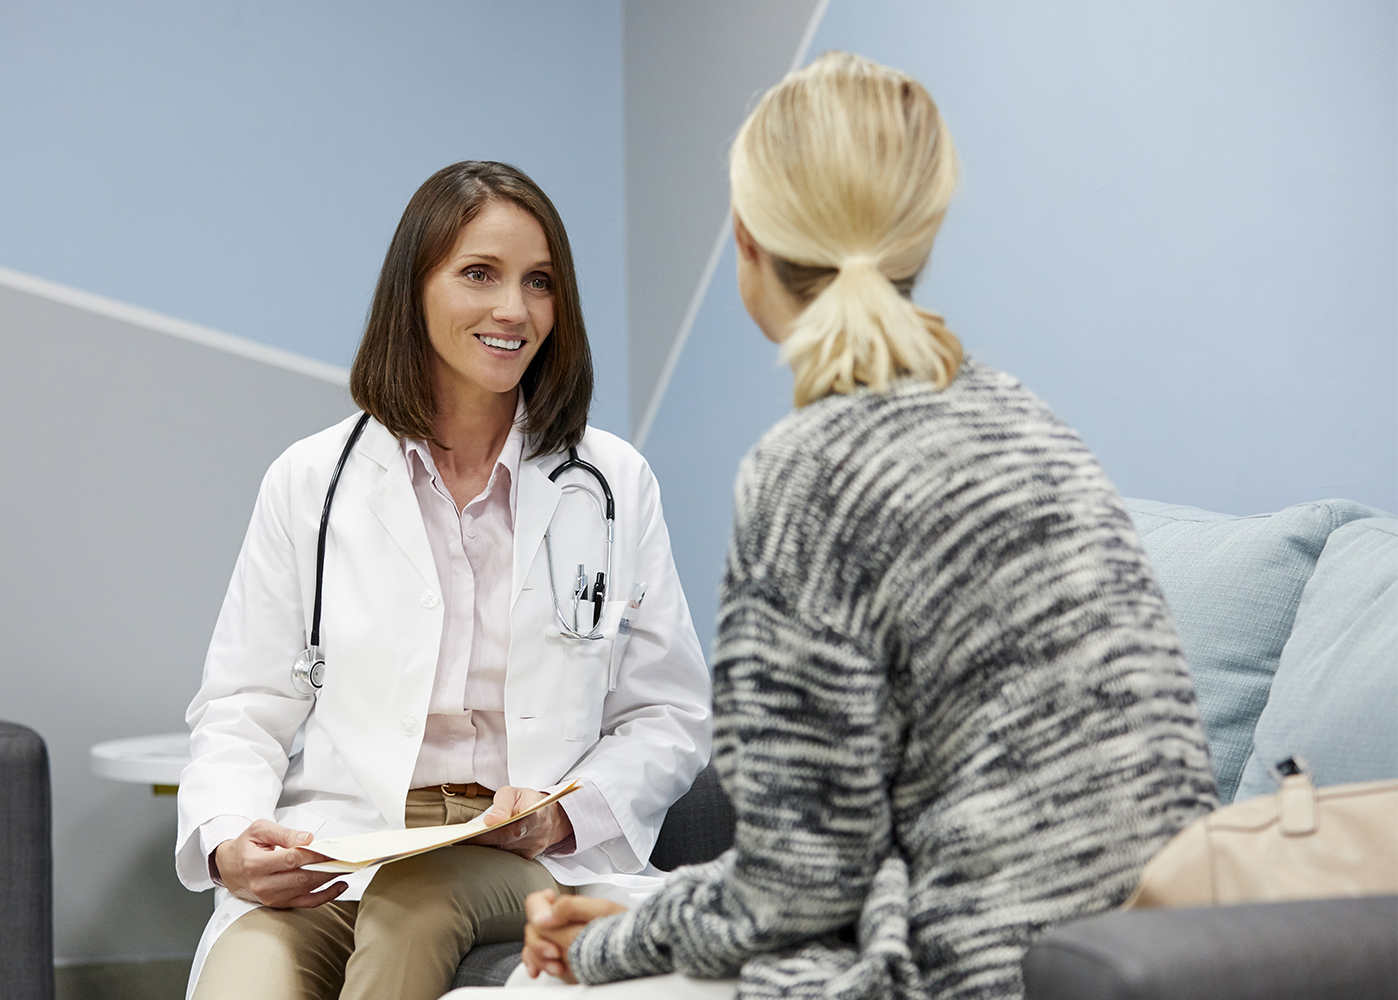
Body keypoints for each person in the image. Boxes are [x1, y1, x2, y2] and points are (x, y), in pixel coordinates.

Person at [486, 52, 1217, 1000]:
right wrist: (651, 920)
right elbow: (838, 857)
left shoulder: (808, 474)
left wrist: (606, 947)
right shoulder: (1029, 424)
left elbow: (799, 883)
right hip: (1148, 960)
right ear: (918, 236)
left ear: (746, 240)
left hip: (964, 977)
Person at [175, 161, 712, 1000]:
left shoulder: (612, 483)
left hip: (522, 857)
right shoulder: (310, 480)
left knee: (418, 905)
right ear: (413, 291)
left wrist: (563, 812)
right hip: (345, 846)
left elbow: (669, 711)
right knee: (248, 978)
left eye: (539, 282)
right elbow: (242, 706)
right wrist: (230, 839)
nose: (514, 309)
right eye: (479, 275)